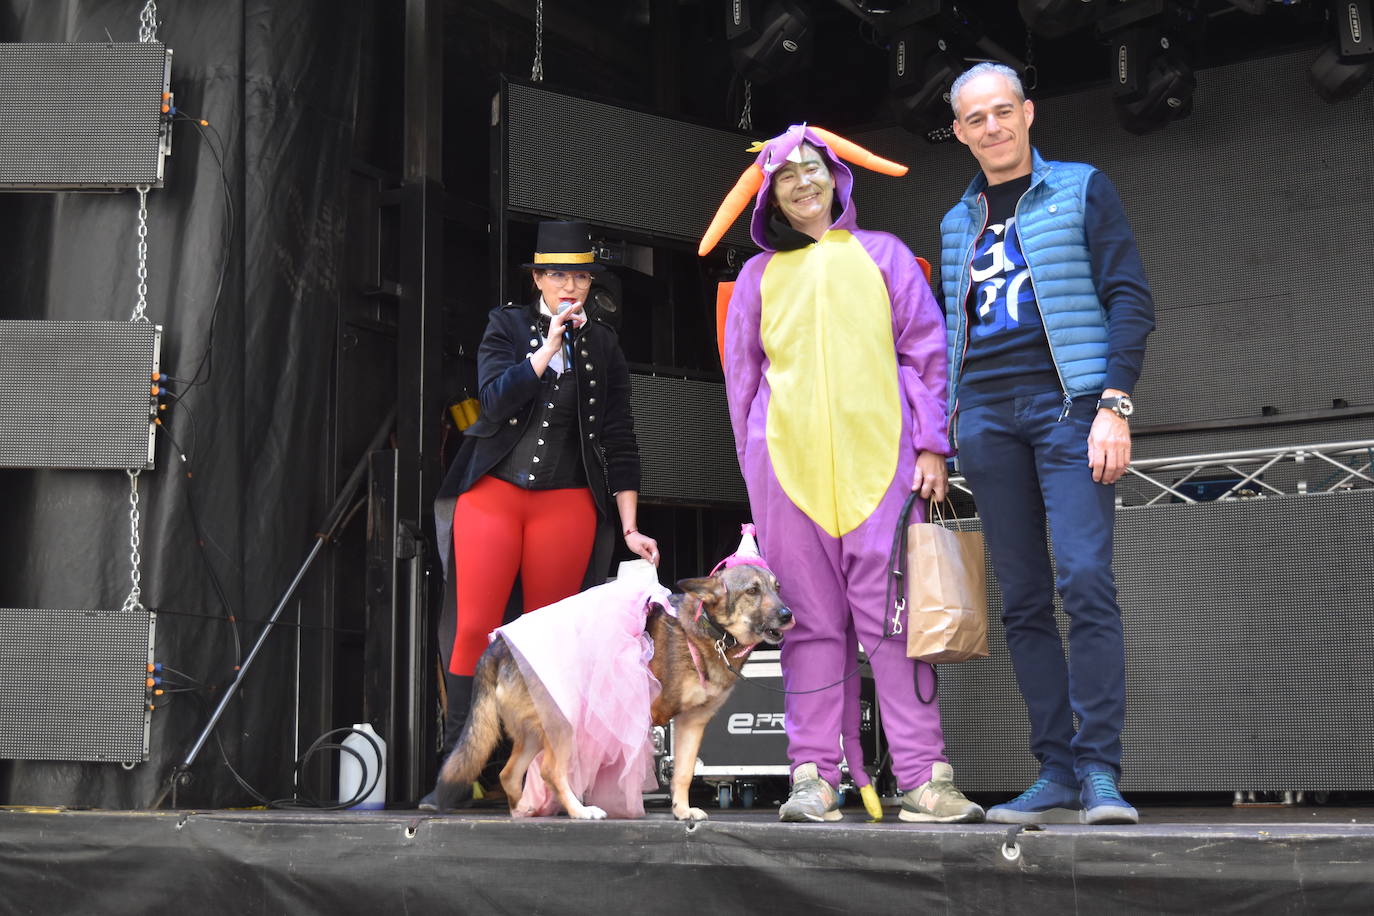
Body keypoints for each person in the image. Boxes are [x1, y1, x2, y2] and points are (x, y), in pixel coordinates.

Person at [702, 124, 984, 824]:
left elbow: (926, 356)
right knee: (808, 631)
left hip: (882, 473)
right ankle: (813, 776)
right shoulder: (757, 281)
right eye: (788, 173)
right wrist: (757, 477)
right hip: (787, 480)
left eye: (815, 167)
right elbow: (742, 385)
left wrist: (931, 449)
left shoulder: (884, 257)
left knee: (896, 626)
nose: (804, 181)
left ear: (837, 178)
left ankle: (923, 778)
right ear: (770, 193)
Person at [940, 62, 1155, 825]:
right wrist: (947, 427)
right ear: (961, 131)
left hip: (1071, 409)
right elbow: (950, 333)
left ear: (1028, 113)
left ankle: (1099, 768)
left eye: (1004, 111)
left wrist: (1113, 405)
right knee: (1024, 602)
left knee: (1087, 580)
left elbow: (1130, 296)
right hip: (987, 418)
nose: (993, 127)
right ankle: (1055, 770)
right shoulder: (954, 223)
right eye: (977, 118)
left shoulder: (1082, 186)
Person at [424, 220, 659, 808]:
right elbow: (493, 398)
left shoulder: (604, 344)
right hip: (495, 493)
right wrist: (547, 349)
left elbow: (619, 438)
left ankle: (539, 785)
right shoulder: (505, 325)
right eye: (557, 273)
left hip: (566, 502)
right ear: (538, 278)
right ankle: (454, 777)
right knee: (476, 629)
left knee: (547, 642)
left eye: (579, 274)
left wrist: (629, 525)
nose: (569, 284)